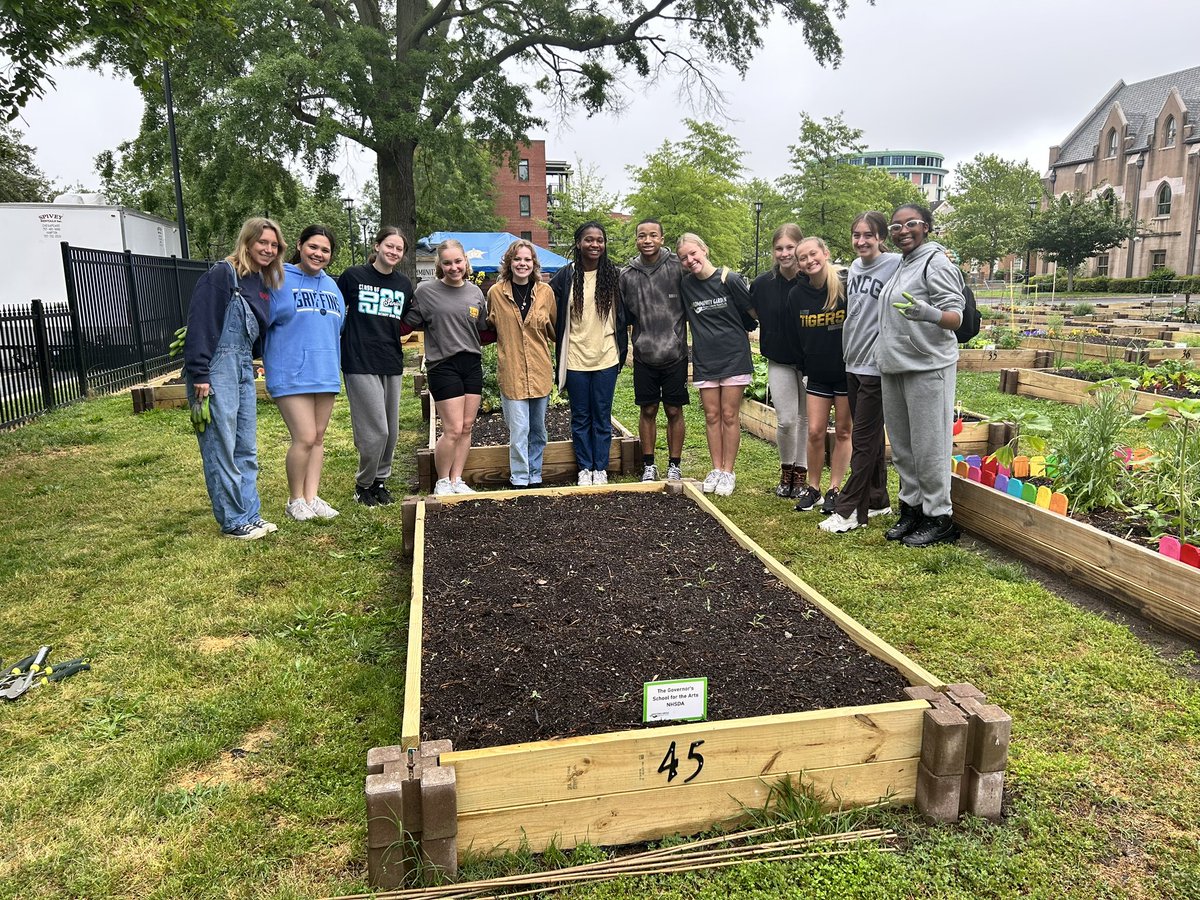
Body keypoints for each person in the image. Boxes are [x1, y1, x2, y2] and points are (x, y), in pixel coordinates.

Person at [184, 217, 285, 539]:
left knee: (246, 446)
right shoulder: (222, 274)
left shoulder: (261, 281)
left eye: (274, 245)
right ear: (247, 242)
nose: (268, 249)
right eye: (263, 243)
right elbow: (201, 323)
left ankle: (250, 513)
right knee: (221, 445)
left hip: (242, 365)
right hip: (217, 368)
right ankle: (232, 519)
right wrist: (200, 372)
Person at [877, 203, 965, 547]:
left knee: (930, 446)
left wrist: (927, 313)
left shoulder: (935, 262)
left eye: (910, 224)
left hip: (928, 366)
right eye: (896, 227)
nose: (903, 231)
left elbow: (955, 317)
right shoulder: (903, 264)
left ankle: (939, 517)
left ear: (926, 226)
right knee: (903, 447)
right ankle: (911, 509)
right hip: (896, 365)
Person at [820, 212, 902, 533]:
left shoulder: (895, 264)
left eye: (869, 235)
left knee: (863, 439)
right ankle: (878, 499)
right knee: (869, 436)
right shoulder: (854, 267)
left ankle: (849, 510)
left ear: (881, 237)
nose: (861, 241)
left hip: (876, 366)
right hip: (852, 361)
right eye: (857, 235)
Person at [265, 224, 346, 522]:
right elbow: (264, 322)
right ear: (299, 245)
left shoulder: (332, 287)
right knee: (304, 436)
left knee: (319, 438)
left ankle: (312, 497)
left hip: (324, 372)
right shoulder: (278, 278)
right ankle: (294, 499)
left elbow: (337, 327)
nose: (318, 253)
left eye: (325, 250)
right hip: (290, 372)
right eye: (313, 246)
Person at [404, 239, 489, 496]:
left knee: (466, 426)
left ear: (466, 262)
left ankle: (457, 479)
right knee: (451, 429)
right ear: (439, 265)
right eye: (448, 263)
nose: (454, 267)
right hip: (443, 364)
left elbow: (483, 330)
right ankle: (442, 480)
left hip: (471, 363)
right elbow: (408, 323)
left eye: (458, 261)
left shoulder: (476, 293)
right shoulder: (425, 292)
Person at [337, 226, 414, 507]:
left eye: (399, 249)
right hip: (359, 360)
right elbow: (333, 312)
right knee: (375, 431)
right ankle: (363, 484)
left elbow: (406, 319)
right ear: (377, 245)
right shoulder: (353, 276)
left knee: (391, 432)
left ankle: (380, 481)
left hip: (391, 361)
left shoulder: (404, 285)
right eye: (389, 246)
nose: (393, 252)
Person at [676, 232, 756, 497]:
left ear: (704, 250)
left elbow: (752, 315)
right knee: (712, 416)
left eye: (693, 254)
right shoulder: (686, 286)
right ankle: (716, 468)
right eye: (684, 257)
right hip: (705, 359)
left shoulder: (729, 279)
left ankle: (728, 471)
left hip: (734, 357)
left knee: (729, 415)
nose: (690, 260)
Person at [550, 221, 627, 486]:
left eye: (600, 240)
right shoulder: (565, 276)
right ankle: (585, 467)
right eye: (589, 240)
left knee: (602, 415)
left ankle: (600, 467)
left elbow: (627, 313)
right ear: (578, 243)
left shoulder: (614, 275)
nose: (595, 244)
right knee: (581, 416)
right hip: (574, 359)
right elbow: (547, 307)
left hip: (606, 356)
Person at [619, 218, 686, 483]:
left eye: (653, 235)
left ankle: (674, 465)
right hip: (644, 356)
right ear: (636, 240)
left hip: (675, 354)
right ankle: (649, 465)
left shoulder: (678, 268)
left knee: (673, 411)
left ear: (662, 238)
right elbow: (622, 318)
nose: (647, 240)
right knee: (647, 411)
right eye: (642, 236)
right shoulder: (627, 275)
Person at [486, 239, 557, 488]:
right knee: (518, 430)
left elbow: (555, 330)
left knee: (537, 429)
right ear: (509, 262)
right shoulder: (496, 293)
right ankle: (519, 476)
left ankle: (535, 474)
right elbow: (488, 328)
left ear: (534, 264)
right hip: (512, 371)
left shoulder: (545, 293)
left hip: (540, 370)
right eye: (517, 259)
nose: (522, 264)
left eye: (527, 259)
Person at [789, 237, 851, 516]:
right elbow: (797, 337)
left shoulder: (846, 286)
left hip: (846, 372)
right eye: (803, 257)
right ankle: (812, 488)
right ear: (799, 264)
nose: (809, 260)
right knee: (814, 431)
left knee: (843, 431)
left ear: (825, 253)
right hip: (817, 374)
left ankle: (834, 489)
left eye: (813, 254)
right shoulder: (797, 295)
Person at [750, 224, 808, 499]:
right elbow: (750, 313)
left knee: (806, 420)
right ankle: (786, 468)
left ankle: (802, 473)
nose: (785, 253)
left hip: (812, 361)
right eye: (779, 248)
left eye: (790, 247)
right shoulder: (762, 284)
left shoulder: (812, 280)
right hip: (780, 359)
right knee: (786, 420)